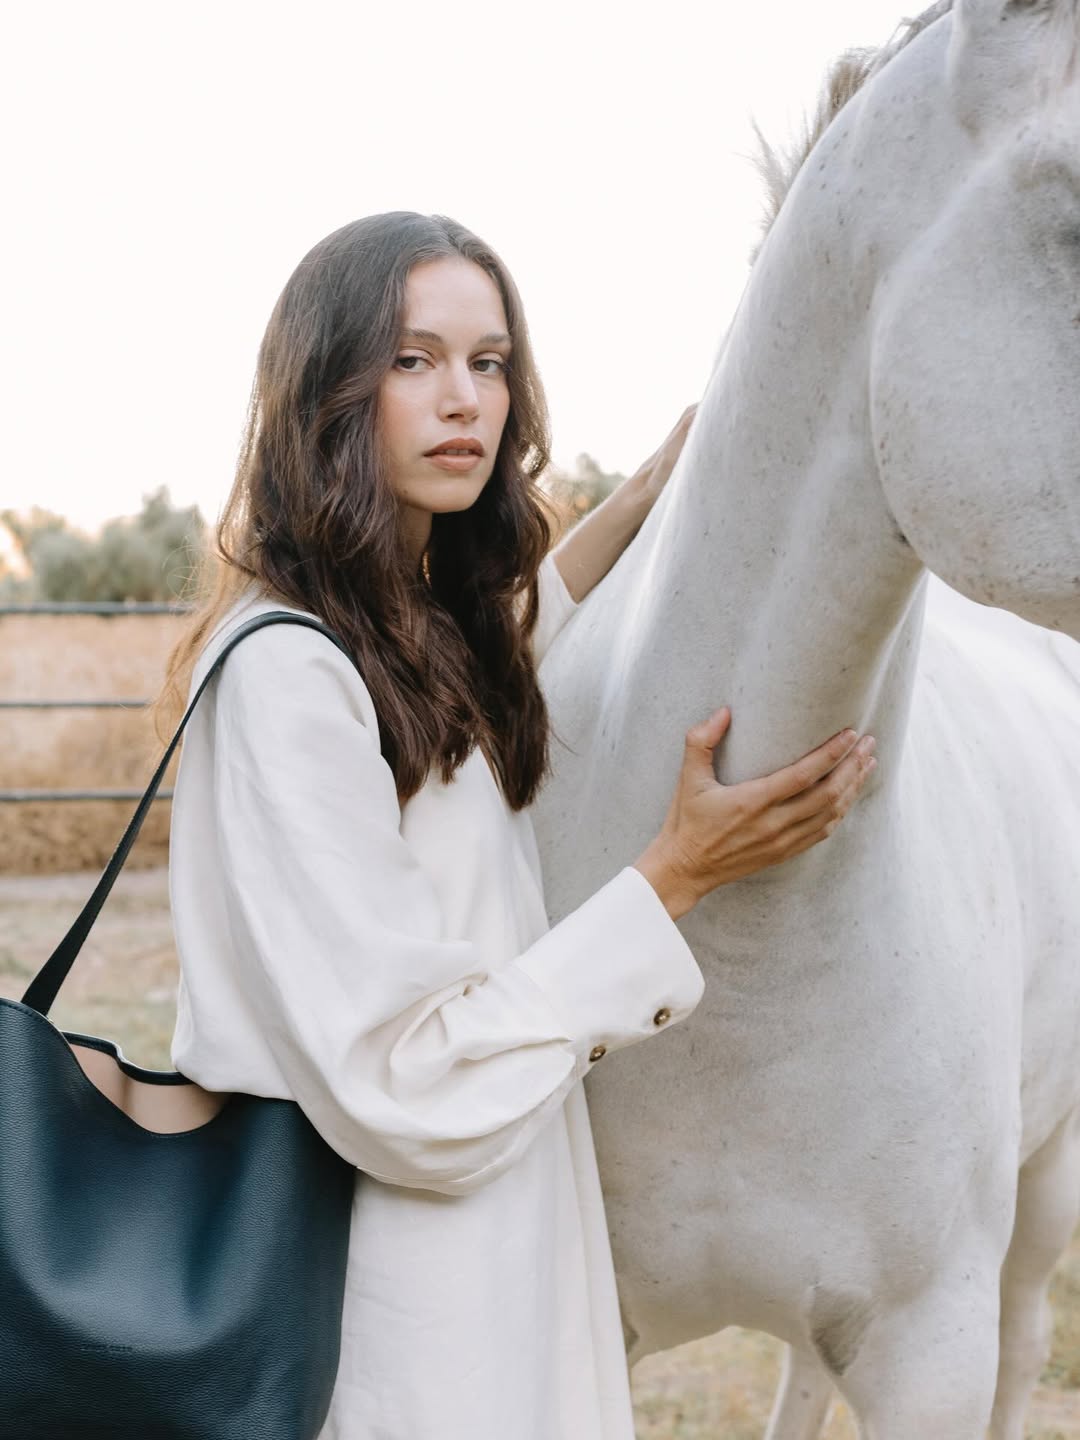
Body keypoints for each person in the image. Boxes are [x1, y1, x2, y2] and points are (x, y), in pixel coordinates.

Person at [154, 211, 877, 1440]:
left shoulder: (405, 631)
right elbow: (404, 1079)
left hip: (491, 1253)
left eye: (489, 362)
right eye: (413, 359)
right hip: (390, 1308)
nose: (465, 400)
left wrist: (650, 492)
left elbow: (514, 628)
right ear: (324, 390)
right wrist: (677, 874)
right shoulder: (288, 676)